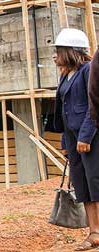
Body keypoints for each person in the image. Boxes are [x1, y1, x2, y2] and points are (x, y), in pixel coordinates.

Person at [51, 28, 99, 250]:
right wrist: (64, 143)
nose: (55, 56)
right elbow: (64, 111)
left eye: (58, 50)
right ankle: (94, 232)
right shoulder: (65, 76)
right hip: (73, 140)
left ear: (71, 51)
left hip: (90, 138)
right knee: (84, 187)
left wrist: (86, 136)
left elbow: (94, 106)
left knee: (96, 182)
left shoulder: (89, 70)